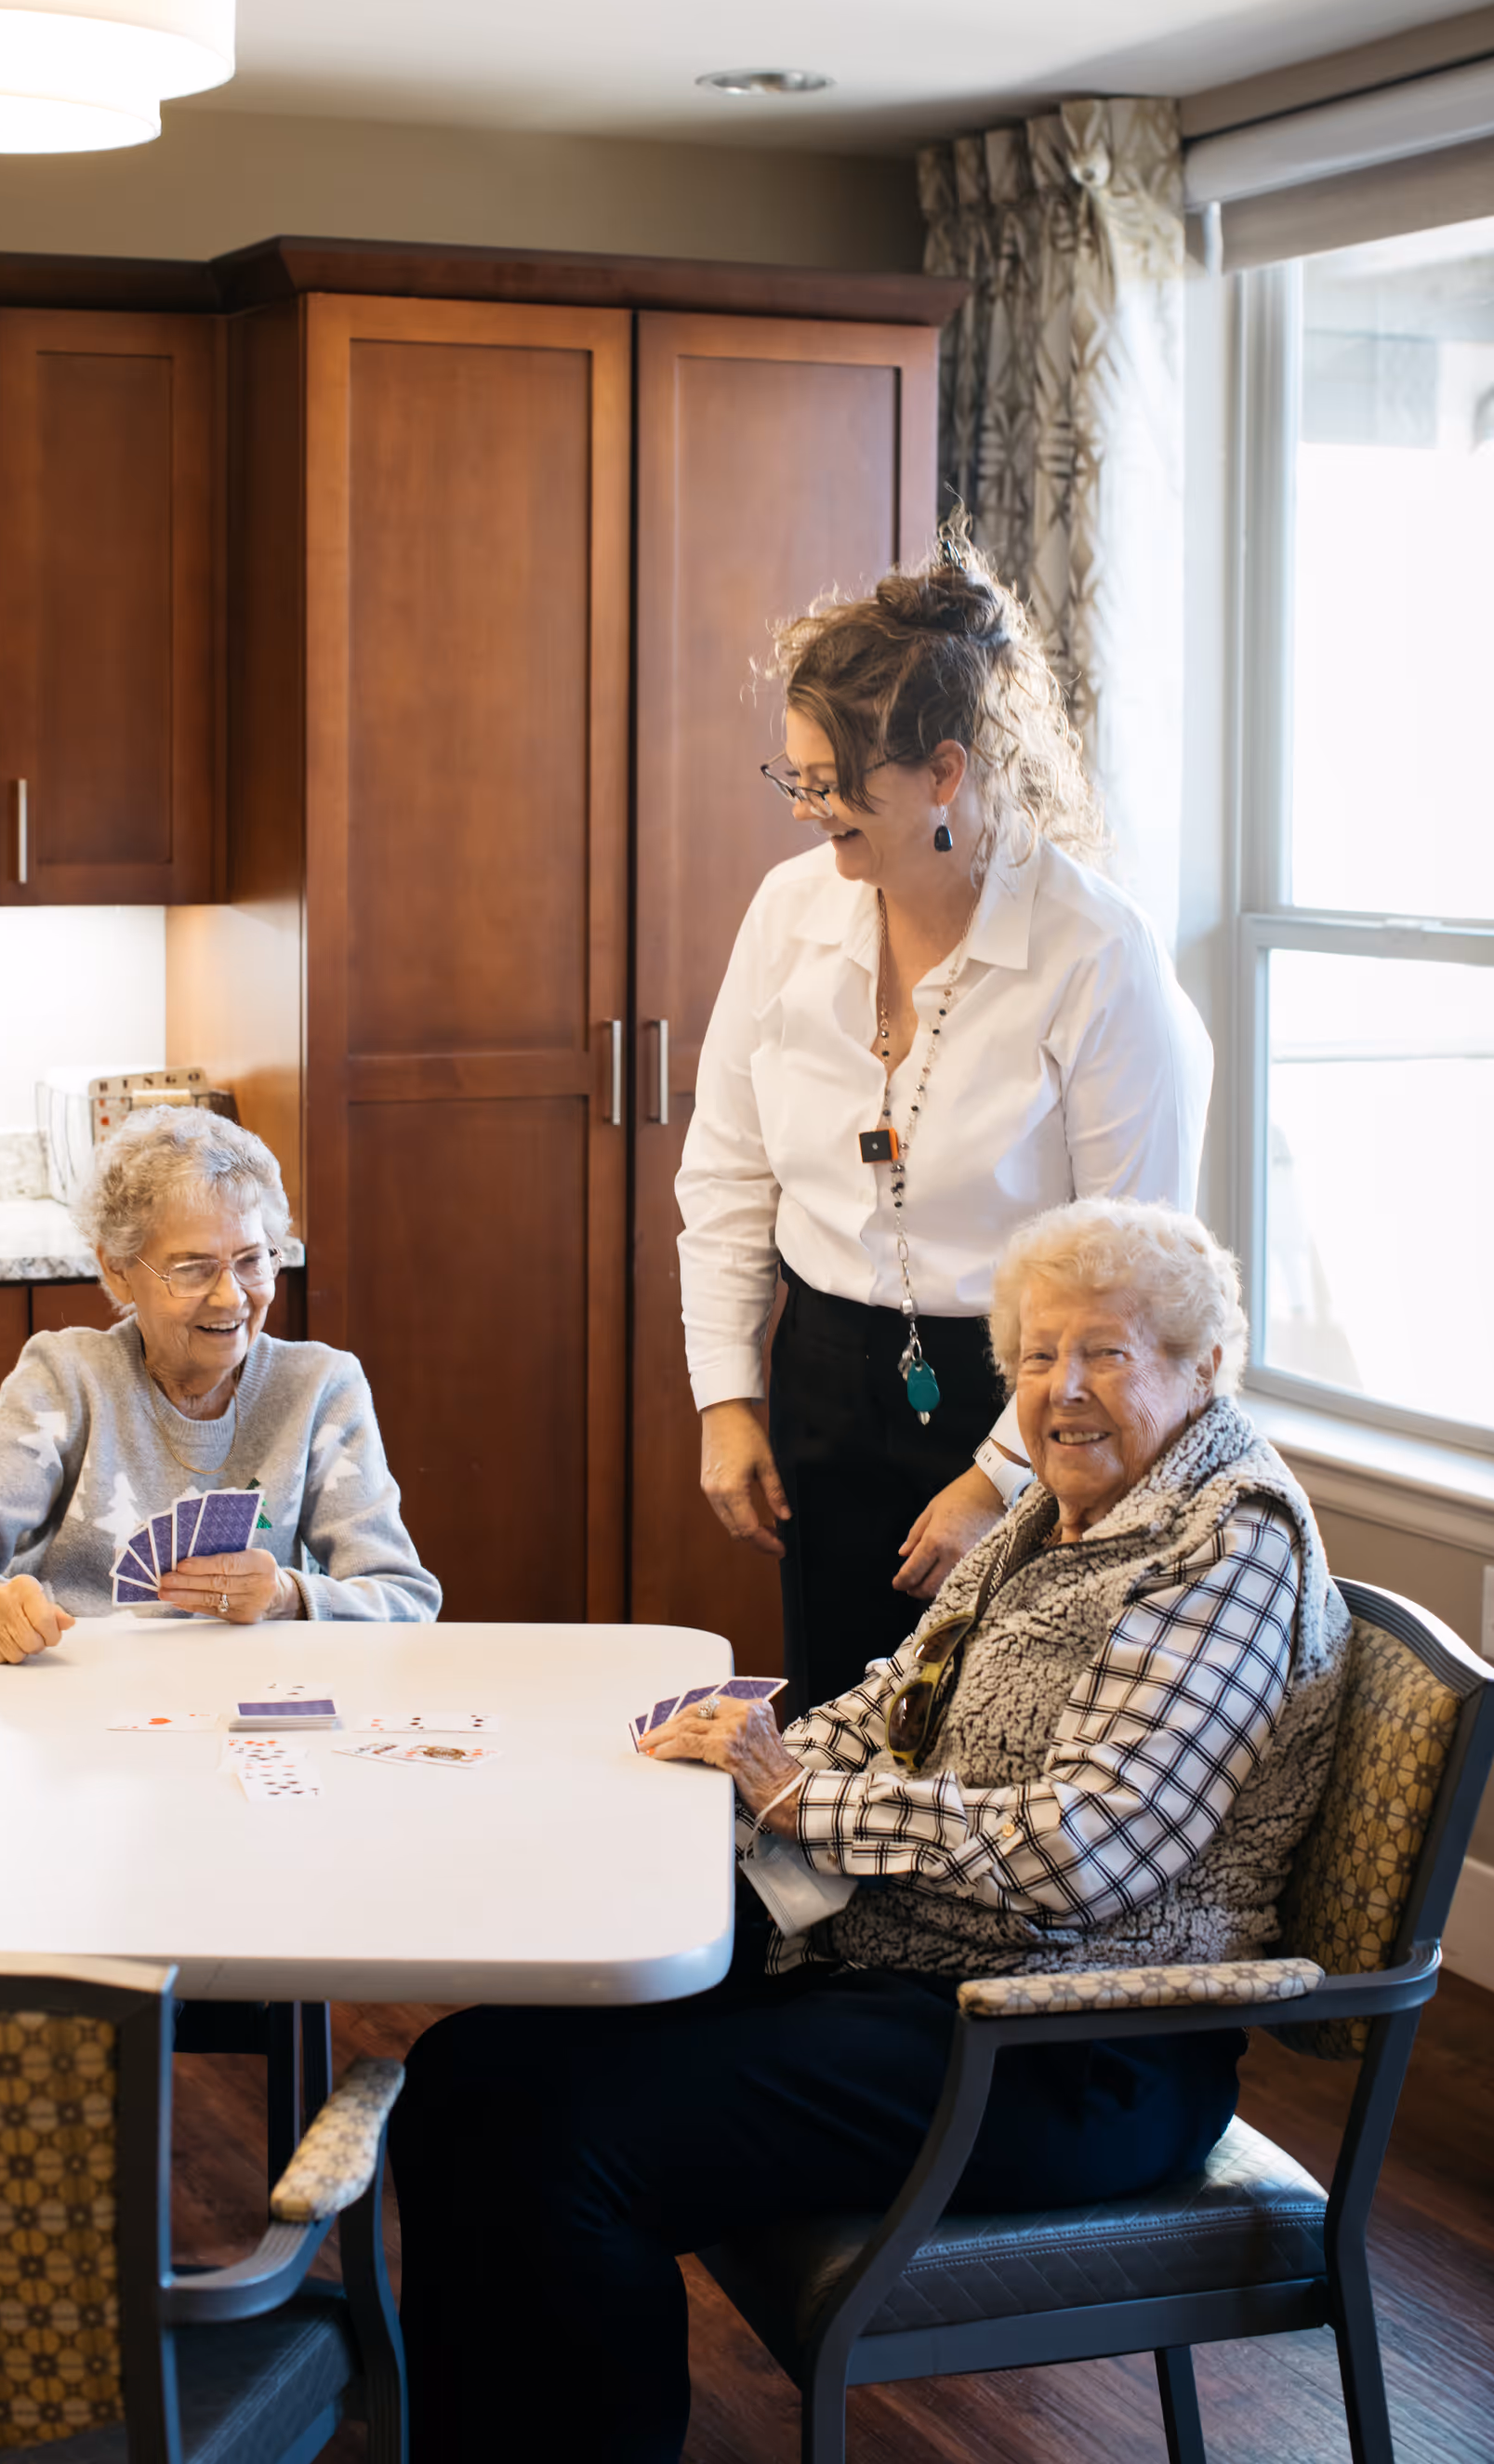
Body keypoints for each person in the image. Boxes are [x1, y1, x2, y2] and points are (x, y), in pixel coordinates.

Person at [390, 1199, 1349, 2464]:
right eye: (1038, 1357)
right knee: (465, 2079)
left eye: (1107, 1353)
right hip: (912, 1974)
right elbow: (902, 1696)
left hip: (1076, 2045)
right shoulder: (1061, 1502)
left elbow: (1084, 1850)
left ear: (1201, 1366)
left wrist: (793, 1796)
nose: (1064, 1389)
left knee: (569, 2150)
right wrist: (740, 1762)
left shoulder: (1227, 1540)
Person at [678, 527, 1212, 1710]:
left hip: (1032, 1391)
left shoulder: (1095, 952)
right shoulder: (787, 913)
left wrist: (997, 1480)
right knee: (832, 1731)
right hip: (823, 1369)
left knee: (992, 1740)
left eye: (835, 783)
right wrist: (728, 1396)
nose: (810, 810)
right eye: (797, 777)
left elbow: (1133, 1268)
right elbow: (725, 1173)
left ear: (945, 773)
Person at [0, 1106, 439, 1660]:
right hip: (79, 1706)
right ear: (117, 1270)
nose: (231, 1298)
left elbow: (407, 1598)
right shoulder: (67, 1377)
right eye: (193, 1268)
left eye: (251, 1260)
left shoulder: (321, 1388)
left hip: (247, 1712)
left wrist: (289, 1597)